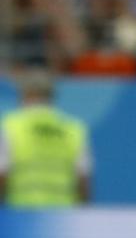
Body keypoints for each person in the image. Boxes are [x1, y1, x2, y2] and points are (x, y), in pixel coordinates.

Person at [0, 70, 92, 206]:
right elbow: (83, 177)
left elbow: (2, 171)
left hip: (21, 212)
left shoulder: (9, 126)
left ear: (26, 94)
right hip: (63, 214)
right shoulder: (73, 128)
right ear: (51, 96)